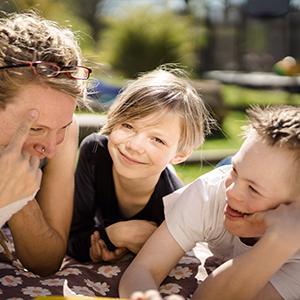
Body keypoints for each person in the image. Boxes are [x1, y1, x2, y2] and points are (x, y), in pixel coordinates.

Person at [119, 105, 300, 300]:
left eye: (253, 189)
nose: (232, 192)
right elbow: (144, 269)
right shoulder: (213, 190)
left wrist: (278, 242)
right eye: (236, 170)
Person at [67, 67, 212, 263]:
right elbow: (72, 239)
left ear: (179, 155)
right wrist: (114, 235)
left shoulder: (174, 205)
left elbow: (164, 261)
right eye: (128, 126)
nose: (135, 146)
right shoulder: (95, 152)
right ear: (113, 119)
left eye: (157, 140)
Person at [0, 11, 91, 276]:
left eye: (62, 126)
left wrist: (20, 197)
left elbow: (46, 261)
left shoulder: (60, 135)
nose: (51, 148)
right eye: (36, 128)